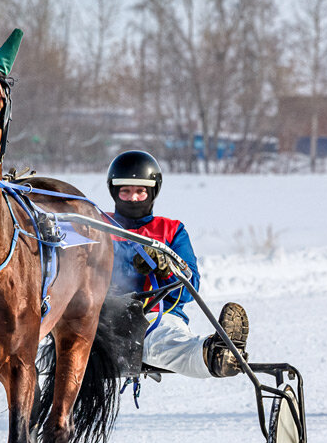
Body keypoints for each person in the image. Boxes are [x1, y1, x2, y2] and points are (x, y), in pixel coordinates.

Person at [106, 150, 249, 378]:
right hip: (101, 316)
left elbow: (189, 289)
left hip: (155, 316)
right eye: (126, 191)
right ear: (114, 191)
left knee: (163, 343)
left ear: (153, 192)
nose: (133, 198)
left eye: (140, 191)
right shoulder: (95, 224)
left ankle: (216, 354)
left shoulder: (171, 230)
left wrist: (166, 268)